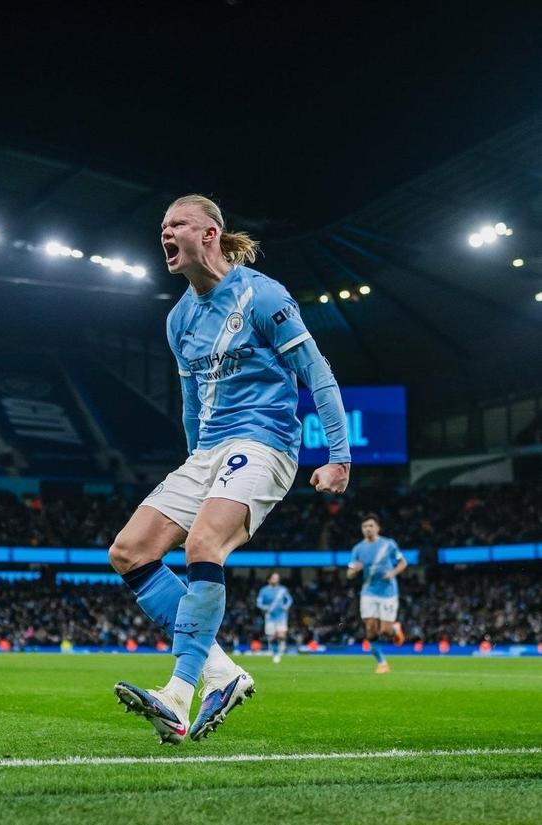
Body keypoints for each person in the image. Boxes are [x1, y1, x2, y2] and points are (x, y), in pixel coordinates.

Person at [110, 194, 351, 744]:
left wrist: (338, 455)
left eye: (177, 224)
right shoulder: (178, 319)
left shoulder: (262, 295)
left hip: (265, 442)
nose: (165, 233)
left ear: (210, 234)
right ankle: (222, 674)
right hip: (208, 452)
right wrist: (195, 462)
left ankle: (178, 694)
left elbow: (317, 373)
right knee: (129, 551)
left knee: (203, 544)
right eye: (162, 226)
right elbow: (191, 402)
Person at [347, 513, 407, 673]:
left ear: (378, 528)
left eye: (371, 526)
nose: (368, 529)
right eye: (364, 526)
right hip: (368, 592)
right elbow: (349, 573)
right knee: (370, 629)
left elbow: (403, 563)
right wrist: (355, 570)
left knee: (385, 631)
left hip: (388, 592)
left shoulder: (388, 544)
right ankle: (382, 663)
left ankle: (395, 630)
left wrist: (392, 573)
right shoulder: (358, 549)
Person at [256, 572, 293, 663]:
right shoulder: (264, 590)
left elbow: (289, 599)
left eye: (277, 578)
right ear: (269, 579)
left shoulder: (282, 590)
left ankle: (281, 650)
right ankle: (275, 653)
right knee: (271, 637)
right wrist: (265, 608)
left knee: (281, 635)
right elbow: (259, 603)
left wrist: (286, 606)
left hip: (281, 616)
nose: (276, 579)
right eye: (274, 578)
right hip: (270, 616)